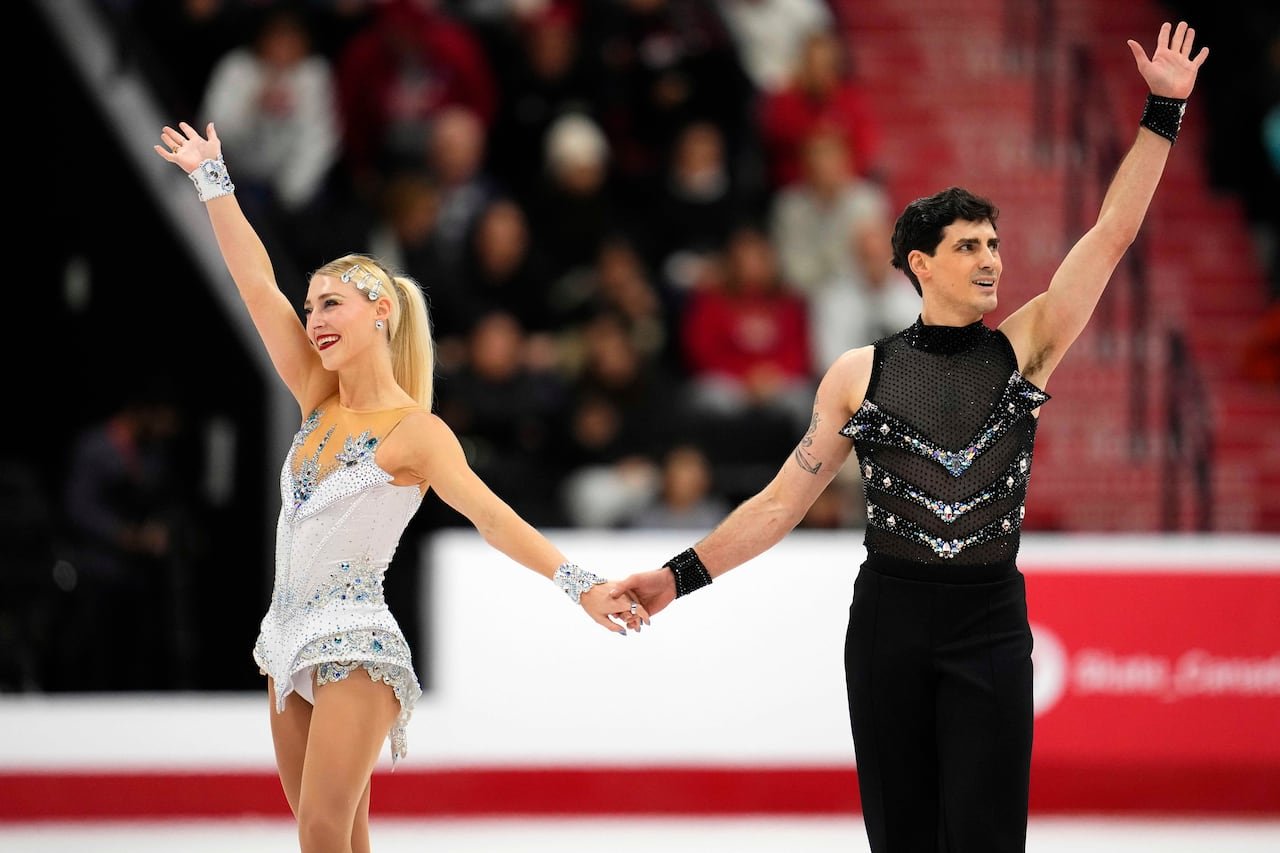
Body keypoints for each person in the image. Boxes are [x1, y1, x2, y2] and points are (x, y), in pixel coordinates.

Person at [612, 22, 1208, 853]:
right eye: (969, 247)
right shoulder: (860, 374)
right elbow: (783, 501)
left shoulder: (1025, 347)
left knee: (989, 839)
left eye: (995, 244)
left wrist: (1163, 113)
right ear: (920, 264)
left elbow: (1109, 235)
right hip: (889, 621)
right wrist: (679, 576)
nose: (992, 260)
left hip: (991, 621)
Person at [154, 119, 644, 852]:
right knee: (336, 837)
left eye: (331, 304)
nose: (314, 318)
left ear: (379, 311)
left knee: (322, 828)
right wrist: (211, 179)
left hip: (357, 641)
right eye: (312, 304)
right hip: (283, 639)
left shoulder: (414, 430)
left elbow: (491, 514)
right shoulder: (316, 399)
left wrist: (581, 584)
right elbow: (257, 284)